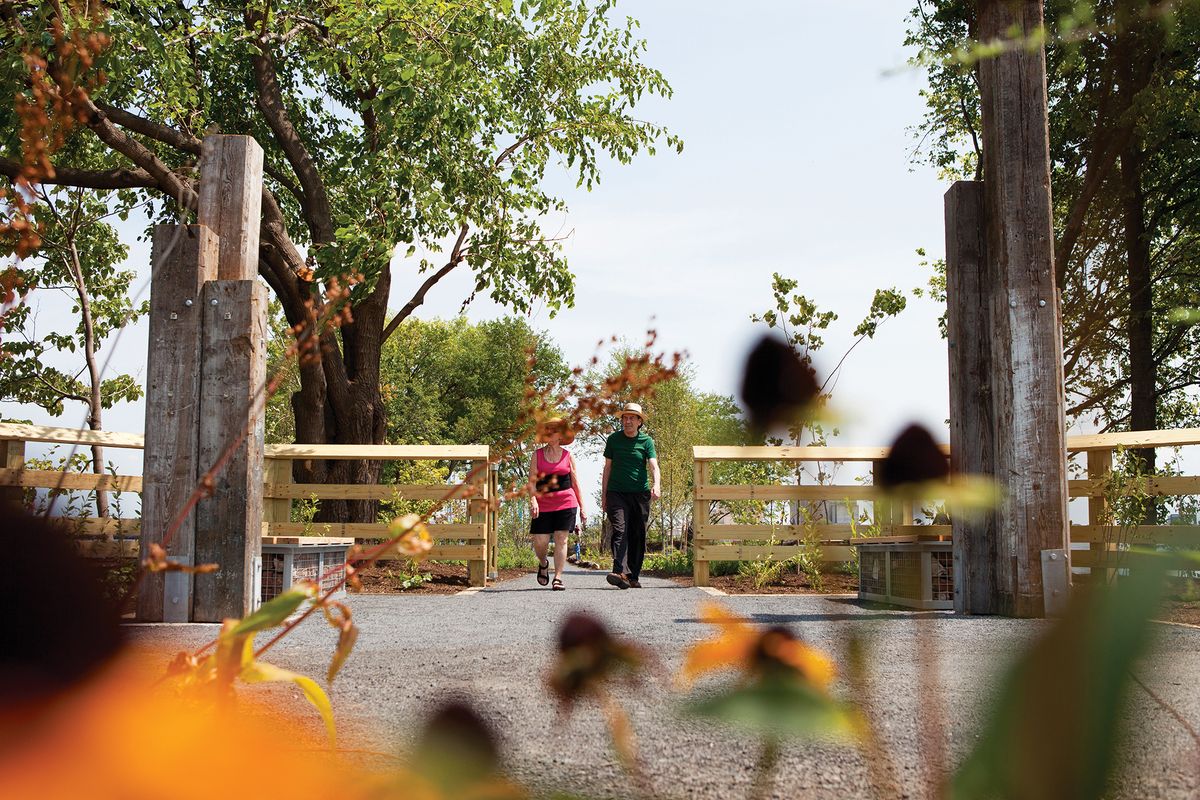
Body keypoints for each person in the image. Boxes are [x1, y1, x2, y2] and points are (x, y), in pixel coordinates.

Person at [600, 402, 660, 589]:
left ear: (639, 421)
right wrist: (604, 496)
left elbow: (653, 465)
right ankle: (620, 571)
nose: (627, 421)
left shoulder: (646, 441)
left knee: (637, 534)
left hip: (639, 494)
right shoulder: (614, 440)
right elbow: (607, 468)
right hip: (616, 492)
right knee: (620, 529)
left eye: (632, 418)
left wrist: (656, 484)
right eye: (625, 418)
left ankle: (632, 575)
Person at [528, 418, 586, 590]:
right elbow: (531, 481)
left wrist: (582, 508)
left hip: (566, 502)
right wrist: (532, 499)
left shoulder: (568, 456)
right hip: (543, 503)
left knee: (561, 538)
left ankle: (558, 577)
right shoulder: (536, 455)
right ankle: (543, 562)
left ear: (560, 435)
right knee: (541, 541)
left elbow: (575, 483)